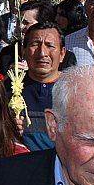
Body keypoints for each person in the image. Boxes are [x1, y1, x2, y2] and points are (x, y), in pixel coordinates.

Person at [13, 22, 67, 151]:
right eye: (35, 44)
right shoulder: (9, 87)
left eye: (50, 45)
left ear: (62, 54)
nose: (42, 53)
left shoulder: (75, 89)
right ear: (23, 51)